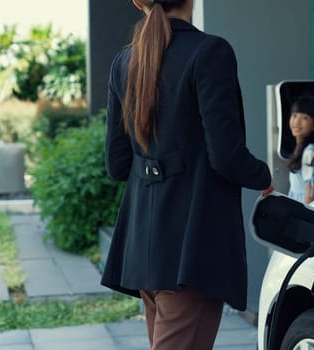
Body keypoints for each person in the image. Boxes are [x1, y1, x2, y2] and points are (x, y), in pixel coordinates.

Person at [100, 0, 274, 349]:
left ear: (139, 3)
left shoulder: (124, 62)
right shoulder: (210, 52)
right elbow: (226, 156)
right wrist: (264, 177)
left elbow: (117, 164)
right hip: (191, 244)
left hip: (143, 244)